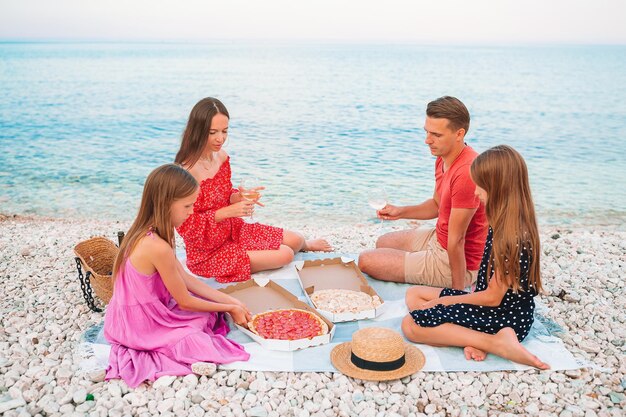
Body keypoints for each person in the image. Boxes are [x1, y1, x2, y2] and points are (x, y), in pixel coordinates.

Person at [401, 145, 550, 370]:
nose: (475, 191)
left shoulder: (512, 237)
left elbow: (492, 298)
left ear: (497, 187)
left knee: (411, 325)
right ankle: (474, 337)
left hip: (505, 317)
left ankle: (494, 342)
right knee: (415, 295)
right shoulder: (503, 219)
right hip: (490, 303)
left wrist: (447, 301)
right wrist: (450, 299)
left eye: (480, 186)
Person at [104, 164, 251, 388]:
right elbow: (184, 299)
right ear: (166, 204)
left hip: (136, 311)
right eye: (187, 206)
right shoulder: (156, 246)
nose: (192, 212)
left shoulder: (150, 230)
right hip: (140, 324)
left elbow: (186, 278)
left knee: (206, 313)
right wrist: (228, 308)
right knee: (195, 337)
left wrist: (231, 301)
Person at [174, 97, 332, 283]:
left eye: (225, 131)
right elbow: (184, 226)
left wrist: (236, 197)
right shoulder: (185, 171)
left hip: (233, 231)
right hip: (207, 252)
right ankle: (255, 259)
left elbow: (222, 195)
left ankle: (305, 245)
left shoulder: (221, 157)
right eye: (212, 132)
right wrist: (226, 212)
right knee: (286, 255)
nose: (220, 138)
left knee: (296, 240)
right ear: (198, 131)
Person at [358, 96, 488, 290]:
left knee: (366, 260)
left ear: (459, 134)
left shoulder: (466, 172)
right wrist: (400, 212)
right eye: (427, 132)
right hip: (440, 239)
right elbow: (437, 205)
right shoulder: (443, 156)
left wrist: (458, 294)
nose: (427, 140)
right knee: (382, 242)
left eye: (436, 134)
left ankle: (462, 280)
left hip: (456, 261)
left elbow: (458, 240)